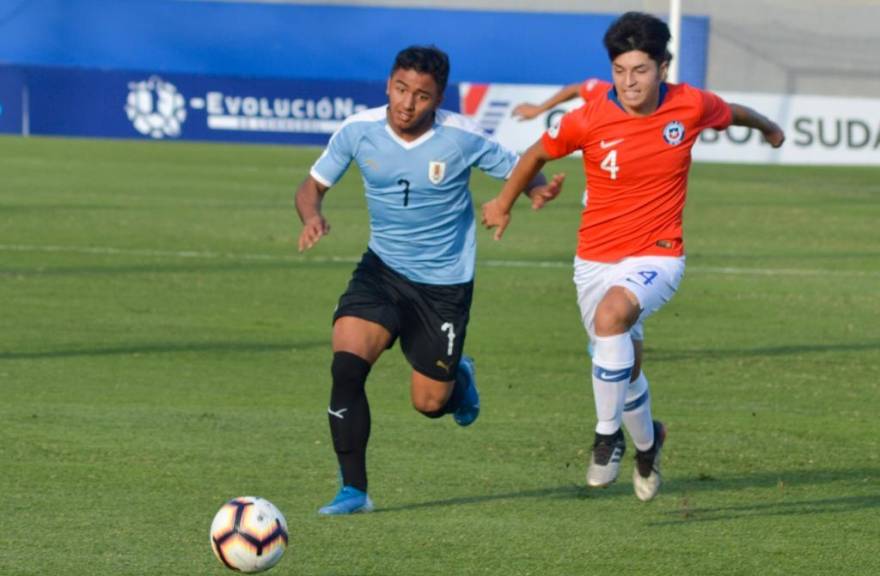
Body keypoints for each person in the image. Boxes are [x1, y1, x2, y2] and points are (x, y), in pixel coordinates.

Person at [482, 12, 785, 502]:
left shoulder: (690, 105)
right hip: (594, 259)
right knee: (624, 369)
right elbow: (535, 155)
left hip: (658, 254)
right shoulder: (587, 117)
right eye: (620, 71)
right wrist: (502, 203)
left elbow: (733, 112)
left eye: (640, 70)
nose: (629, 82)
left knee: (612, 317)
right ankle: (648, 445)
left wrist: (769, 127)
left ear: (663, 67)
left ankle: (606, 439)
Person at [295, 45, 564, 515]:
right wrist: (311, 216)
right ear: (388, 85)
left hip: (443, 286)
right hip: (381, 271)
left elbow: (520, 166)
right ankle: (353, 490)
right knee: (347, 367)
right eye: (400, 89)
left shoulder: (460, 137)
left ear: (438, 99)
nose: (407, 103)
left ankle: (460, 379)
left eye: (421, 96)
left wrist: (539, 191)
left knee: (430, 403)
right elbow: (312, 185)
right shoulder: (358, 130)